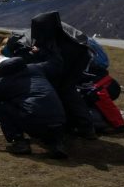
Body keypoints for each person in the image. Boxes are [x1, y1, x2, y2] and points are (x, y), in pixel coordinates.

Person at [0, 53, 68, 158]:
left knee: (3, 106)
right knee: (43, 109)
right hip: (59, 121)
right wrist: (42, 50)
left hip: (35, 122)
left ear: (2, 70)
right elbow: (55, 64)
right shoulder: (36, 68)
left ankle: (19, 143)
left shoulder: (5, 81)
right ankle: (56, 144)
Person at [29, 11, 97, 139]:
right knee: (63, 90)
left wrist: (39, 53)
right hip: (76, 60)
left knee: (66, 91)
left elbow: (57, 61)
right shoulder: (56, 31)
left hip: (75, 63)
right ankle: (76, 124)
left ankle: (86, 128)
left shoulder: (63, 43)